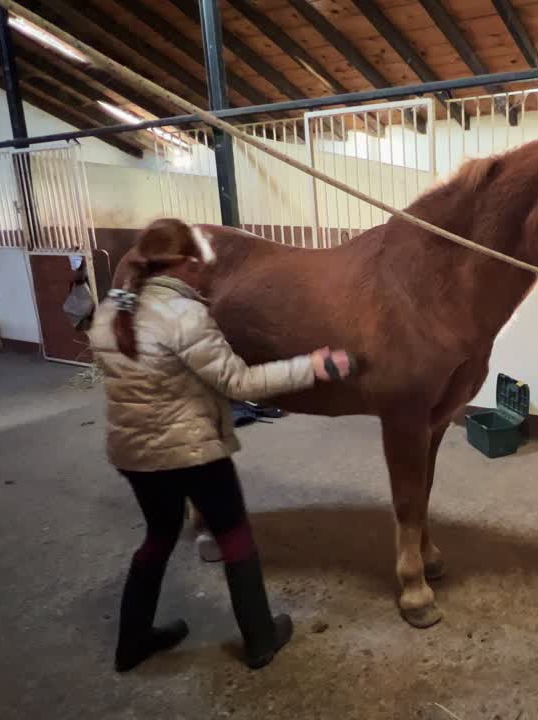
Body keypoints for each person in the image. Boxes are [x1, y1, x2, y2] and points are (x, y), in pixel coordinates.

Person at [88, 218, 354, 672]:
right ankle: (260, 639)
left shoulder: (112, 311)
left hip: (134, 455)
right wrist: (312, 366)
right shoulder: (186, 317)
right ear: (186, 263)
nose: (203, 273)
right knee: (234, 536)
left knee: (158, 536)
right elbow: (238, 380)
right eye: (198, 263)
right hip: (190, 451)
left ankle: (131, 642)